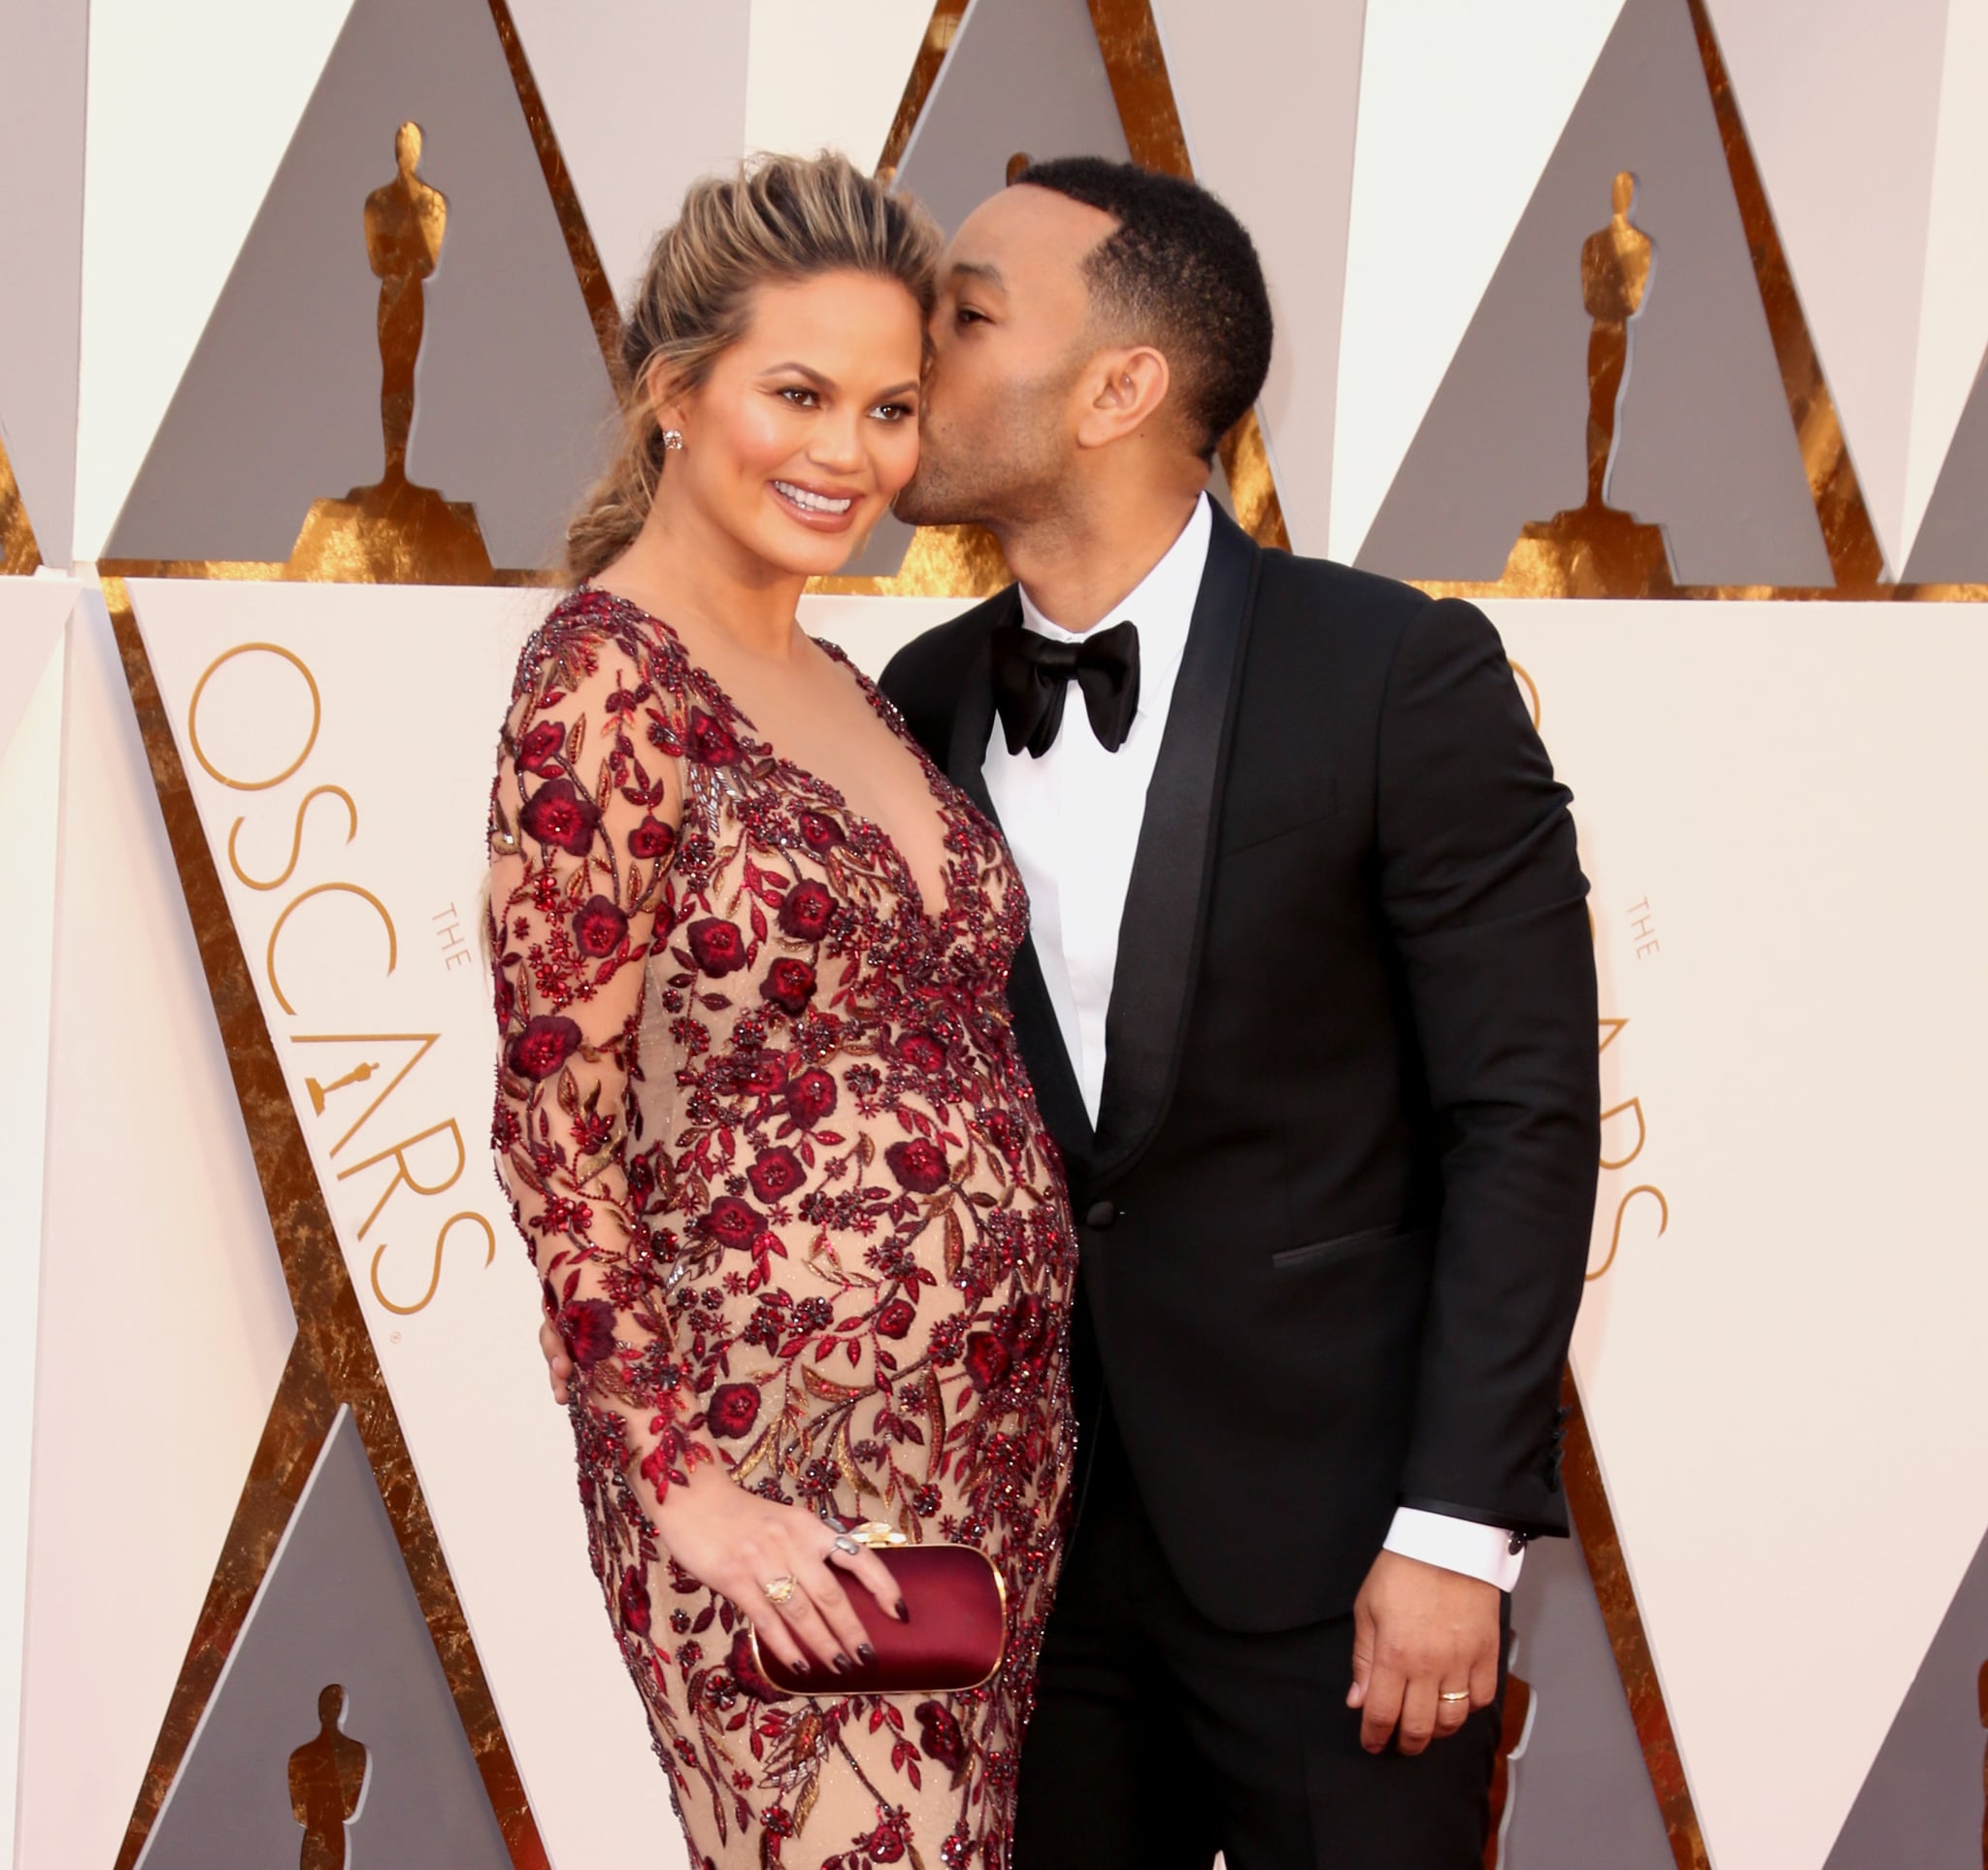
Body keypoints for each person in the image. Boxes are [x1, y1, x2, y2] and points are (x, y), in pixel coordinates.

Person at [544, 156, 1599, 1867]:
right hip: (1004, 1553)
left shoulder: (1398, 672)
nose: (911, 345)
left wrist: (1458, 1528)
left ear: (1122, 386)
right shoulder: (915, 698)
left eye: (961, 315)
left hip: (1337, 1560)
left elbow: (1525, 1116)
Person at [488, 153, 1079, 1870]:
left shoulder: (854, 686)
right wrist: (688, 1490)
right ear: (675, 391)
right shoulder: (601, 685)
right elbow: (557, 1129)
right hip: (772, 1470)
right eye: (799, 394)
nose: (850, 455)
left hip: (989, 1459)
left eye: (891, 408)